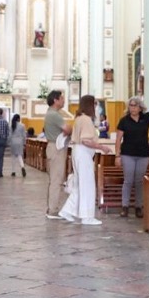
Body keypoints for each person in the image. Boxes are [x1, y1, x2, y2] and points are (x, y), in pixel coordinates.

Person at [58, 94, 110, 225]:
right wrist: (101, 147)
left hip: (78, 152)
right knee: (87, 184)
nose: (96, 107)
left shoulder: (80, 118)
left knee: (79, 185)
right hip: (83, 152)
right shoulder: (86, 119)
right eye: (95, 104)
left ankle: (67, 211)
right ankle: (87, 216)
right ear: (90, 105)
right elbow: (86, 140)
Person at [42, 89, 73, 219]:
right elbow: (67, 129)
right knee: (56, 179)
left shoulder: (51, 113)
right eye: (62, 98)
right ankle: (53, 210)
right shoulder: (54, 115)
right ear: (55, 100)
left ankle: (51, 207)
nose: (63, 100)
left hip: (53, 146)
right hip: (57, 148)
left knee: (54, 179)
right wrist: (70, 129)